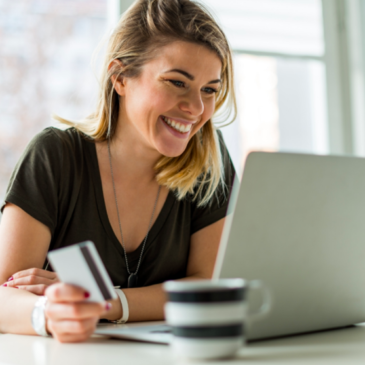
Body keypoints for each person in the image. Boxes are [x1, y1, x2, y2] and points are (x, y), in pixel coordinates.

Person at [0, 0, 236, 343]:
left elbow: (209, 285)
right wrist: (50, 313)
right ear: (120, 77)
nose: (197, 109)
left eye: (210, 90)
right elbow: (5, 292)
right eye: (177, 82)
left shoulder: (209, 164)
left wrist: (106, 300)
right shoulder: (55, 157)